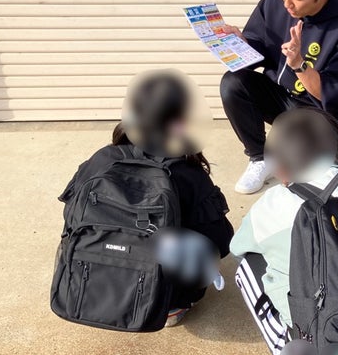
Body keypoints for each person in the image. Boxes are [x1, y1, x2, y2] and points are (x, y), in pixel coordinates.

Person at [60, 70, 234, 326]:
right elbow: (222, 242)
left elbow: (70, 217)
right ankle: (173, 307)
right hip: (160, 299)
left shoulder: (102, 158)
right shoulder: (187, 171)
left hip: (91, 283)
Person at [230, 107, 338, 355]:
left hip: (334, 354)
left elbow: (237, 247)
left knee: (249, 266)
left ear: (281, 170)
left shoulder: (273, 204)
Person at [219, 0, 338, 194]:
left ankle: (335, 137)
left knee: (317, 181)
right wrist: (240, 43)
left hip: (323, 110)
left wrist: (298, 64)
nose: (287, 3)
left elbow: (329, 94)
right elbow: (258, 48)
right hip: (282, 96)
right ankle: (260, 158)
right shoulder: (274, 1)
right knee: (233, 82)